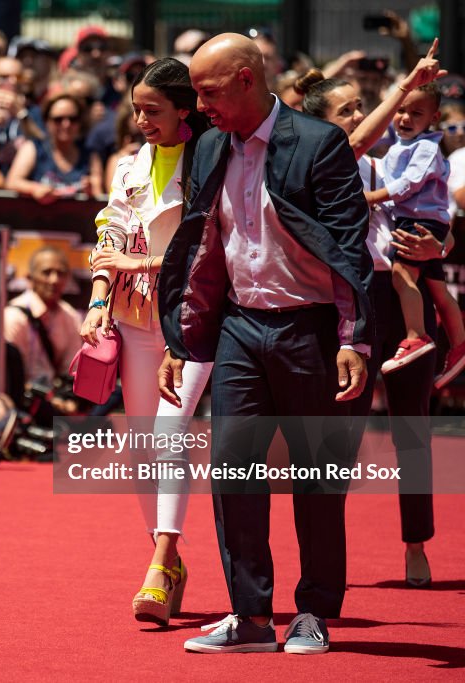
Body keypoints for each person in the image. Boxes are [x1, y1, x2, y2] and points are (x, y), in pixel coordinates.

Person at [158, 34, 372, 654]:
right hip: (240, 328)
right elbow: (201, 248)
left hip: (312, 329)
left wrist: (353, 338)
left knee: (317, 476)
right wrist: (182, 338)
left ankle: (314, 614)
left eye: (209, 92)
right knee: (232, 469)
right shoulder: (206, 147)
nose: (200, 107)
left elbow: (349, 247)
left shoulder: (319, 142)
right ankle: (250, 616)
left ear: (247, 80)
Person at [295, 42, 446, 588]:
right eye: (348, 110)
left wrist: (439, 248)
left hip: (402, 300)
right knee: (339, 436)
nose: (361, 116)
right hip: (348, 309)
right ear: (321, 125)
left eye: (362, 106)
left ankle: (416, 543)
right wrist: (406, 85)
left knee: (413, 428)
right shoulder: (312, 167)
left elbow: (429, 217)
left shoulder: (388, 163)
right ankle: (326, 559)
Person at [80, 58, 213, 627]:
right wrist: (97, 301)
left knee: (168, 433)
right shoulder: (130, 164)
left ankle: (159, 563)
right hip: (133, 317)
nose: (141, 119)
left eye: (152, 110)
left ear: (185, 109)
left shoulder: (212, 158)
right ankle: (170, 560)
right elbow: (109, 232)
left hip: (191, 318)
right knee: (140, 446)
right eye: (136, 109)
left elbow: (211, 242)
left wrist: (145, 263)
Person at [367, 82, 465, 384]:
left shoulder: (425, 147)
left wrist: (372, 197)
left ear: (434, 118)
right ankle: (460, 347)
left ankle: (415, 336)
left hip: (419, 222)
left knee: (401, 276)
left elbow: (409, 182)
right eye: (401, 110)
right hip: (424, 221)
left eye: (416, 113)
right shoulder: (397, 147)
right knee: (438, 290)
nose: (406, 118)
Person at [6, 246, 82, 385]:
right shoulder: (13, 317)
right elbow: (8, 371)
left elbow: (72, 370)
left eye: (60, 273)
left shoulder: (71, 317)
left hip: (56, 393)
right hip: (19, 393)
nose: (54, 280)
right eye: (46, 272)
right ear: (30, 278)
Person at [6, 94, 97, 203]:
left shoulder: (90, 155)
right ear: (46, 121)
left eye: (73, 119)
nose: (66, 124)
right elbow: (12, 182)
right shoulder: (33, 147)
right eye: (58, 119)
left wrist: (90, 191)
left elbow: (99, 191)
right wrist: (35, 189)